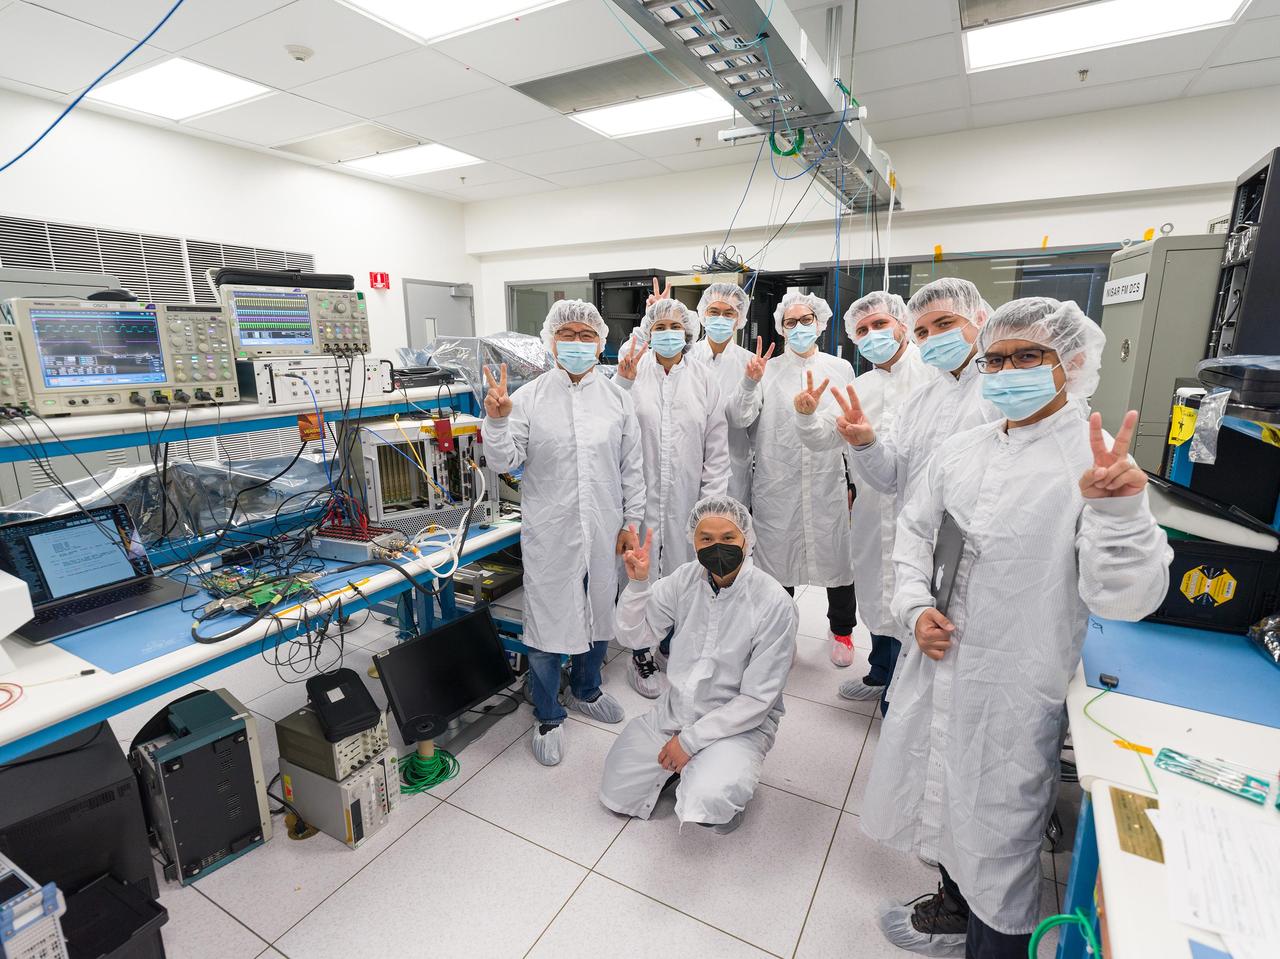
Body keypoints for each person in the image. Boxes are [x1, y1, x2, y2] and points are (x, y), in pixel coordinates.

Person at [863, 297, 1172, 958]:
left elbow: (1127, 598)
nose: (1006, 371)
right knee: (941, 802)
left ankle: (993, 944)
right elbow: (913, 533)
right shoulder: (963, 449)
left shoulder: (1088, 463)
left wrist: (1120, 515)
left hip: (1018, 685)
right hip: (940, 663)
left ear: (1073, 362)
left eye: (1027, 356)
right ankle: (953, 912)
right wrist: (915, 608)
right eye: (996, 359)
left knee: (1001, 835)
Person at [481, 299, 645, 767]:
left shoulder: (617, 398)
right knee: (548, 620)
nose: (577, 342)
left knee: (597, 610)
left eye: (585, 335)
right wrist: (496, 419)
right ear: (551, 341)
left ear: (600, 342)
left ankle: (587, 689)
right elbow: (505, 461)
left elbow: (631, 469)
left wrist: (631, 524)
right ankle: (549, 712)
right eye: (567, 334)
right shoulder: (529, 399)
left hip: (604, 525)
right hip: (550, 530)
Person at [826, 278, 999, 681]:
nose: (933, 338)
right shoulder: (923, 400)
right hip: (910, 533)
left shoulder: (997, 391)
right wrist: (866, 444)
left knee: (955, 655)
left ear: (979, 317)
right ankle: (883, 676)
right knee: (893, 607)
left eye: (944, 324)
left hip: (975, 548)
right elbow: (891, 477)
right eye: (925, 330)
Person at [599, 495, 797, 834]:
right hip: (677, 711)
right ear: (693, 541)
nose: (717, 548)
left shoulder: (773, 602)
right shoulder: (683, 580)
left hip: (739, 724)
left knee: (711, 799)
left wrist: (690, 742)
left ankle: (716, 782)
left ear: (746, 540)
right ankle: (680, 771)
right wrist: (638, 585)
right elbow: (635, 636)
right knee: (615, 791)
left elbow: (757, 699)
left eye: (728, 538)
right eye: (706, 539)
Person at [793, 291, 935, 713]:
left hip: (926, 513)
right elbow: (824, 440)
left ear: (903, 326)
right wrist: (804, 415)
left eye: (880, 325)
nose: (872, 335)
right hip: (874, 511)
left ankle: (908, 692)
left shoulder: (933, 377)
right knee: (877, 590)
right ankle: (880, 673)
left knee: (918, 596)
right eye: (862, 330)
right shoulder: (861, 386)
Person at [726, 291, 859, 666]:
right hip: (776, 479)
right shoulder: (764, 369)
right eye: (790, 322)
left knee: (836, 557)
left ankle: (843, 632)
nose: (799, 327)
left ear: (820, 323)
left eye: (805, 320)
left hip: (825, 479)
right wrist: (750, 383)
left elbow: (847, 424)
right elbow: (740, 419)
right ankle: (782, 631)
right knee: (777, 562)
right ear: (780, 328)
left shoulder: (840, 368)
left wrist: (851, 481)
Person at [616, 298, 730, 698]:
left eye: (674, 326)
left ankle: (671, 645)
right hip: (639, 497)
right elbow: (613, 430)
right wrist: (623, 383)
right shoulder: (631, 374)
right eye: (659, 326)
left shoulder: (704, 378)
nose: (667, 333)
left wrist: (710, 508)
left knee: (685, 576)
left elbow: (716, 450)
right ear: (648, 332)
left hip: (687, 500)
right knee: (640, 575)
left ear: (687, 331)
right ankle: (640, 652)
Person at [688, 282, 756, 504]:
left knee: (728, 531)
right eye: (714, 312)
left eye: (729, 313)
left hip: (732, 468)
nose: (720, 318)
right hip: (687, 464)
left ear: (739, 319)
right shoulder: (687, 357)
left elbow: (744, 421)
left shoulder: (751, 363)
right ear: (703, 315)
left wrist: (748, 383)